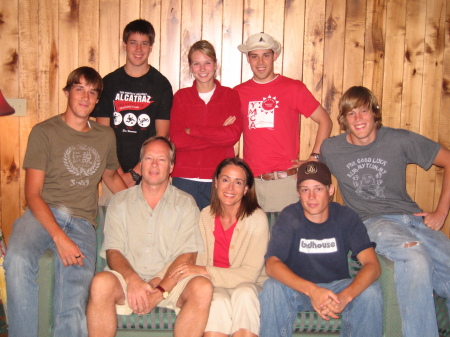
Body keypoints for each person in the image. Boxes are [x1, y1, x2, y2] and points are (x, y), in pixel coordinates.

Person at [4, 66, 127, 337]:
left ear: (97, 100)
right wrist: (60, 238)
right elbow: (32, 194)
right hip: (41, 214)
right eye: (79, 88)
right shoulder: (44, 132)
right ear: (67, 93)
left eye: (92, 92)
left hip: (83, 222)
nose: (85, 96)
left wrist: (140, 202)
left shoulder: (105, 136)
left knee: (72, 299)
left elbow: (112, 178)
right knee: (16, 260)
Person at [320, 86, 450, 337]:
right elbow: (315, 181)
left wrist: (441, 211)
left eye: (363, 111)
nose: (358, 119)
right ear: (344, 120)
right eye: (351, 114)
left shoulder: (399, 140)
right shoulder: (331, 149)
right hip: (372, 222)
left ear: (375, 113)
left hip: (413, 219)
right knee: (415, 258)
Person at [86, 136, 213, 337]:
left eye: (161, 159)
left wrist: (161, 290)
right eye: (148, 158)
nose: (154, 165)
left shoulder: (186, 203)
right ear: (141, 164)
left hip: (170, 282)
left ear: (171, 166)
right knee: (100, 282)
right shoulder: (119, 202)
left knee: (202, 287)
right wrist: (133, 280)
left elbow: (187, 256)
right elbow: (113, 250)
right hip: (127, 279)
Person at [259, 161, 383, 337]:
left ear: (330, 190)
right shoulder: (289, 216)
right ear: (298, 193)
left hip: (337, 289)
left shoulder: (346, 217)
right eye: (305, 189)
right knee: (272, 288)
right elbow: (271, 264)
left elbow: (373, 265)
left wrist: (345, 296)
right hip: (299, 290)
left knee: (372, 291)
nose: (311, 196)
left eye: (318, 188)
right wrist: (312, 291)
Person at [169, 157, 269, 337]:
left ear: (246, 189)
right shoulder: (204, 216)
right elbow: (194, 262)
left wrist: (203, 270)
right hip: (215, 286)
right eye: (225, 180)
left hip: (249, 286)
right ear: (215, 182)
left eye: (238, 182)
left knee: (244, 294)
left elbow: (249, 275)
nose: (230, 188)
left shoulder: (257, 219)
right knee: (217, 299)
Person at [234, 32, 332, 212]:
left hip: (284, 183)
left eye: (266, 55)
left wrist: (314, 158)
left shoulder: (293, 88)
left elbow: (325, 121)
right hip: (251, 185)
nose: (260, 62)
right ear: (248, 58)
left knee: (284, 239)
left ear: (275, 56)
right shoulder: (238, 93)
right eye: (255, 56)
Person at [91, 19, 173, 188]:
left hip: (150, 173)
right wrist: (119, 174)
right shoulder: (109, 83)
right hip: (112, 172)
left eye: (144, 44)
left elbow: (162, 136)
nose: (138, 49)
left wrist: (136, 172)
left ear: (151, 48)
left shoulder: (161, 85)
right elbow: (102, 134)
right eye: (133, 43)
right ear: (124, 45)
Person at [170, 40, 242, 210]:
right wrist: (218, 133)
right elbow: (177, 140)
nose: (202, 69)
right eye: (196, 63)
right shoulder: (181, 97)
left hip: (219, 179)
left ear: (215, 65)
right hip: (184, 178)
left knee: (214, 233)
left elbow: (232, 136)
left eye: (207, 63)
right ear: (190, 67)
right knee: (184, 233)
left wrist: (193, 131)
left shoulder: (230, 96)